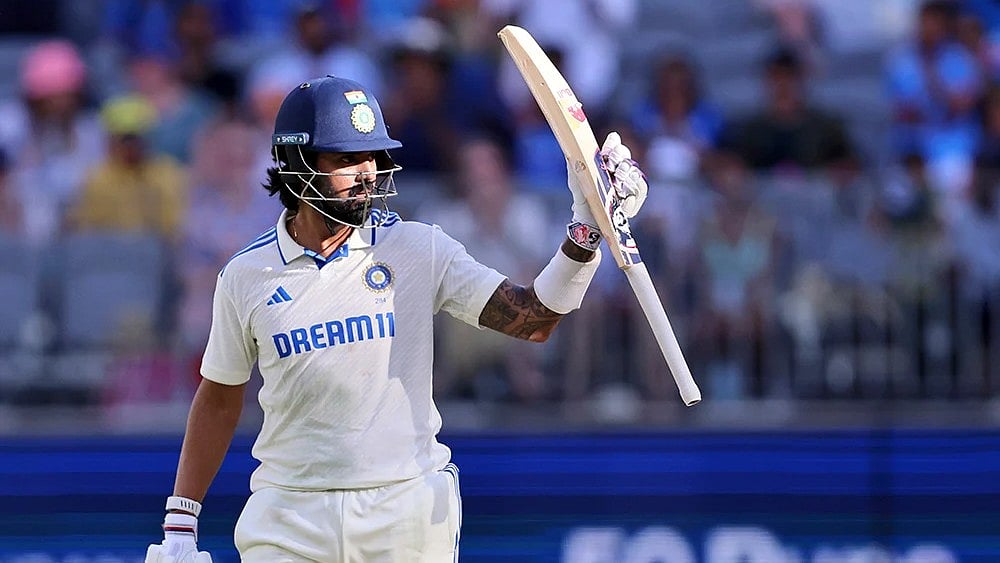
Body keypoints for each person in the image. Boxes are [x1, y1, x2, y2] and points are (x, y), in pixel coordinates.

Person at [144, 75, 648, 562]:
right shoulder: (246, 275)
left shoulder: (416, 246)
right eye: (347, 159)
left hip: (403, 510)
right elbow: (219, 396)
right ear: (296, 164)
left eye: (373, 157)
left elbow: (533, 320)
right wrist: (180, 523)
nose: (367, 173)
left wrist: (585, 231)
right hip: (290, 515)